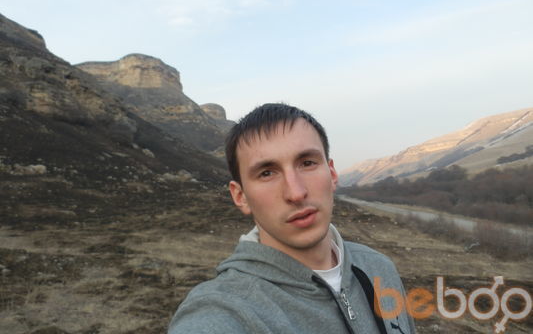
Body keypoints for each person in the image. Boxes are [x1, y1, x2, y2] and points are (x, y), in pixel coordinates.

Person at [168, 103, 416, 334]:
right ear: (241, 196)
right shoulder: (223, 311)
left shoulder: (378, 267)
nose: (296, 193)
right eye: (267, 173)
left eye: (307, 163)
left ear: (331, 174)